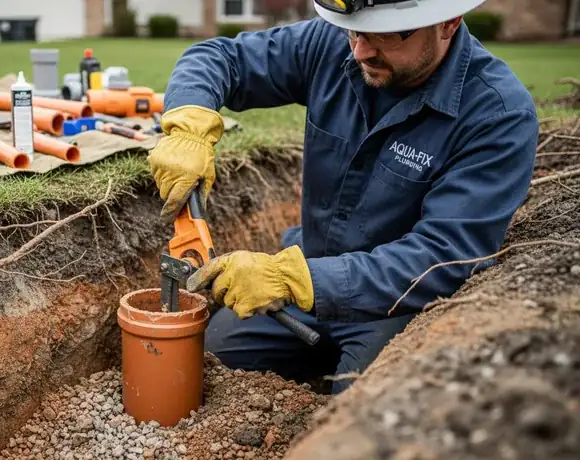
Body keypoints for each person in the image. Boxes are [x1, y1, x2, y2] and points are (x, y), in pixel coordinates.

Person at [147, 0, 538, 393]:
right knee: (213, 357)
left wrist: (296, 280)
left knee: (358, 405)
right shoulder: (334, 44)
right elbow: (221, 58)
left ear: (448, 23)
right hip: (306, 270)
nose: (360, 51)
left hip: (396, 308)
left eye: (383, 34)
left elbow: (442, 255)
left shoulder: (497, 115)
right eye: (355, 31)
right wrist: (187, 124)